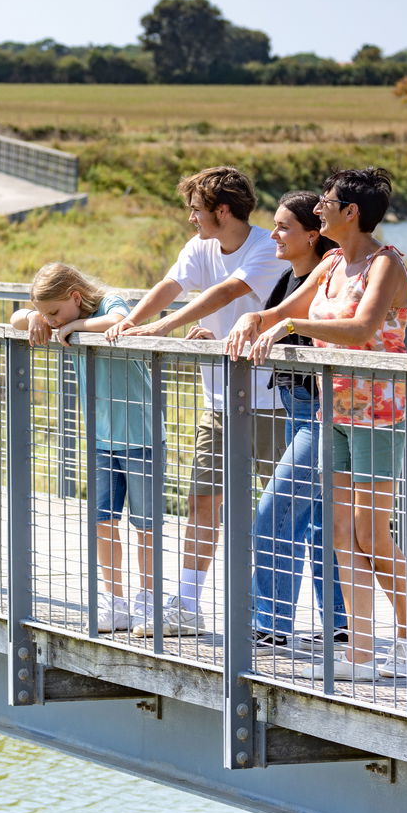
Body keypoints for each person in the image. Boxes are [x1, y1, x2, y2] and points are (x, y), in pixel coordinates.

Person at [225, 167, 407, 681]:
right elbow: (285, 309)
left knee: (371, 535)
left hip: (378, 413)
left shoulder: (386, 264)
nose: (319, 208)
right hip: (332, 408)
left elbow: (362, 328)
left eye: (327, 201)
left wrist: (289, 325)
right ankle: (359, 653)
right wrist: (253, 319)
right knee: (337, 534)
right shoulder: (331, 261)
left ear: (351, 212)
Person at [106, 166, 288, 636]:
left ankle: (322, 620)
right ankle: (186, 605)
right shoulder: (200, 248)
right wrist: (131, 323)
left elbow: (229, 291)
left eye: (196, 210)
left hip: (274, 403)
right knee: (202, 503)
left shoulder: (269, 247)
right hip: (220, 403)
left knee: (287, 513)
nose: (191, 219)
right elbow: (171, 286)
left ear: (221, 211)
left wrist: (163, 327)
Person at [12, 263, 157, 633]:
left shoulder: (110, 302)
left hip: (141, 437)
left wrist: (74, 326)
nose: (53, 321)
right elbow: (16, 318)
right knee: (103, 521)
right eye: (48, 315)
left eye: (56, 312)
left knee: (146, 526)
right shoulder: (57, 316)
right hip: (100, 438)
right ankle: (115, 601)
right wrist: (33, 317)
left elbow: (121, 320)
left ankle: (149, 601)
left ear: (76, 297)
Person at [246, 191, 347, 650]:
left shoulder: (331, 277)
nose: (273, 235)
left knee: (275, 512)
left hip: (321, 412)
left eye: (283, 227)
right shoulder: (292, 277)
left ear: (313, 234)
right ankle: (341, 625)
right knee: (319, 520)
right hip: (295, 405)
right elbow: (269, 319)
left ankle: (270, 625)